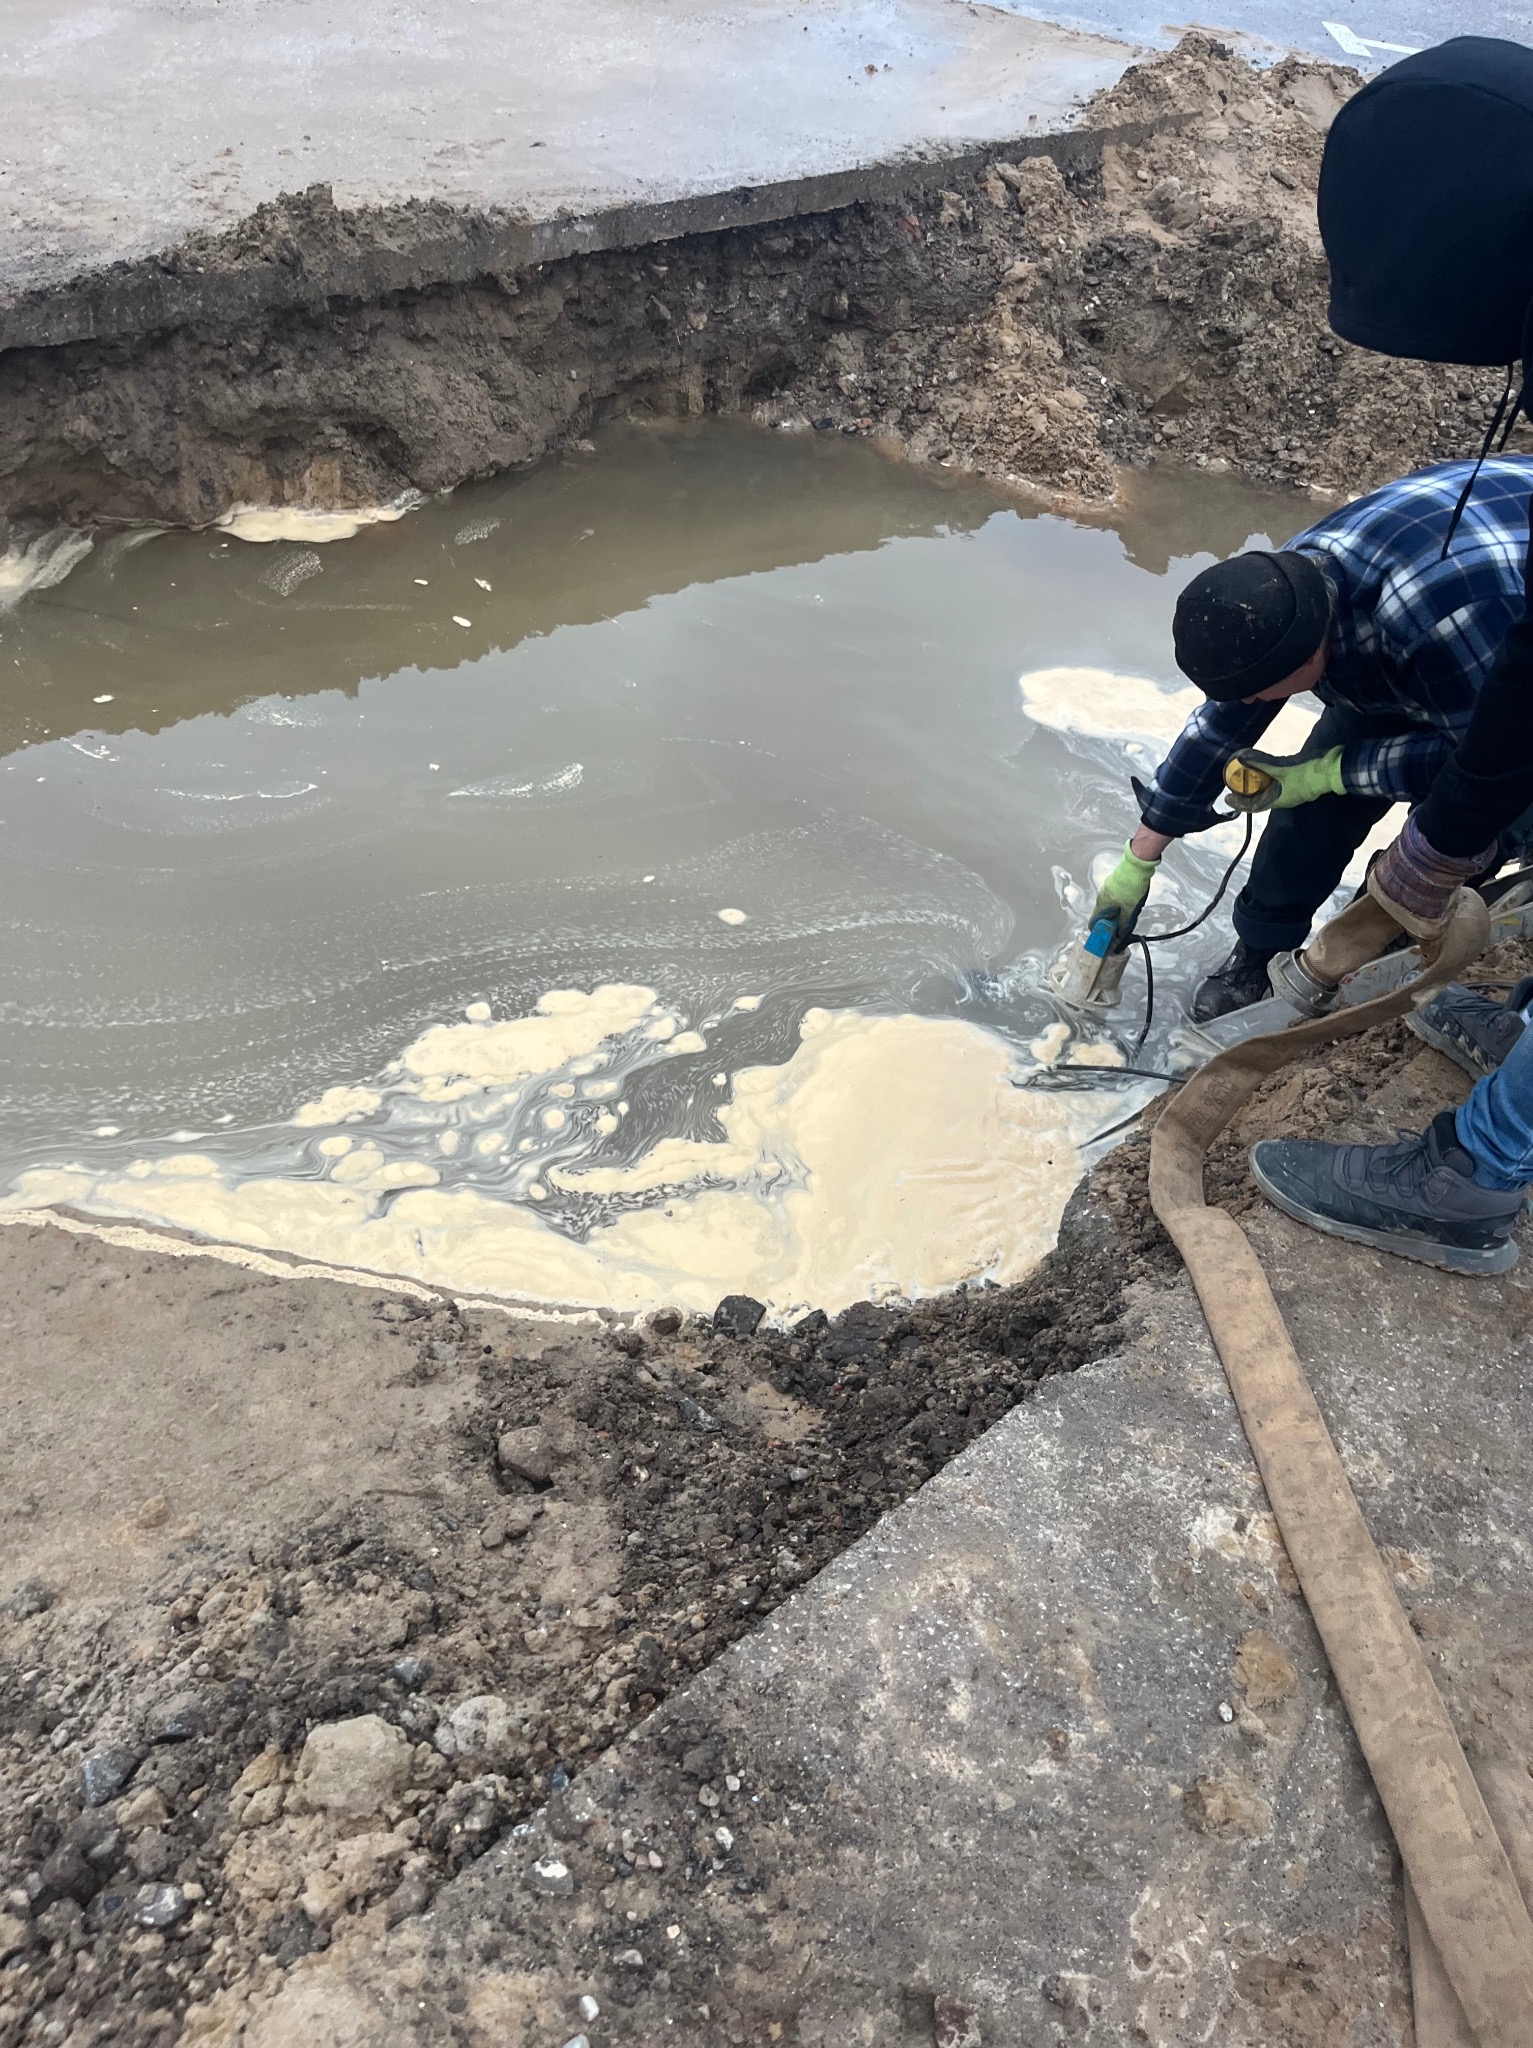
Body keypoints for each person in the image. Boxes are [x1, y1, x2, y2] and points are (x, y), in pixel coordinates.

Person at [1214, 34, 1533, 1273]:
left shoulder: (1442, 621)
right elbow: (1230, 705)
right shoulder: (1295, 593)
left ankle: (1473, 1176)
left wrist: (1434, 846)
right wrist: (1157, 828)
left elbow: (1505, 719)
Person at [1091, 458, 1533, 1021]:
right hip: (1429, 619)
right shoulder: (1284, 589)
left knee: (1456, 833)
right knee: (1306, 814)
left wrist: (1329, 773)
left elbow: (1491, 761)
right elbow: (1224, 720)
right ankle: (1258, 954)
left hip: (1500, 658)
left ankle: (1374, 947)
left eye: (1259, 692)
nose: (1252, 703)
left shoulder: (1448, 617)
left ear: (1307, 653)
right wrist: (1138, 860)